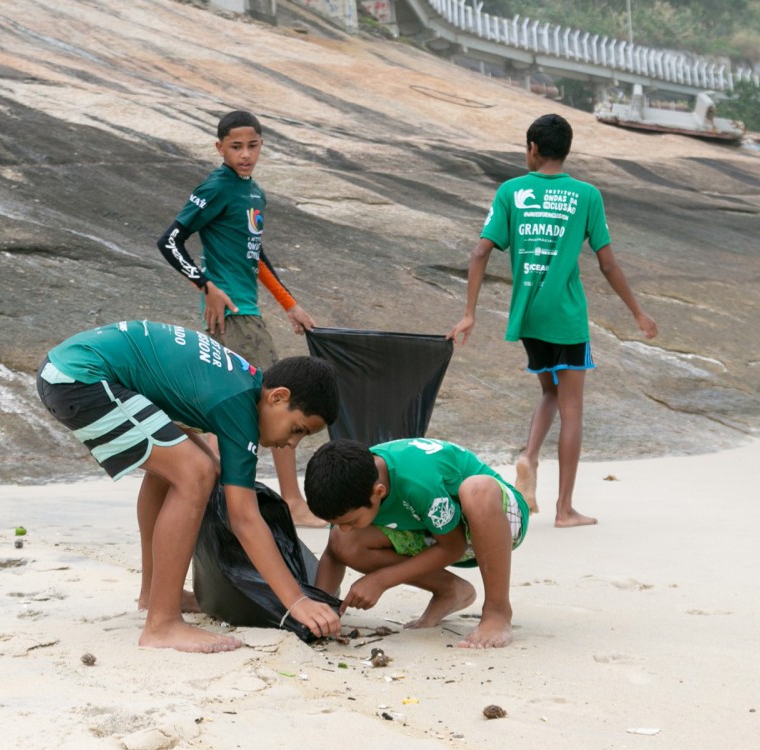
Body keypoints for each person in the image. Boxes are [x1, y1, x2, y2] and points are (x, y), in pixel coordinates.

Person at [36, 320, 342, 653]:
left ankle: (154, 593)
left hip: (72, 368)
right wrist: (296, 601)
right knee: (194, 473)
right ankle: (162, 625)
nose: (291, 443)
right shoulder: (238, 404)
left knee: (191, 467)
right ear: (278, 397)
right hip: (79, 377)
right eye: (297, 429)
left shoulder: (241, 384)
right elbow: (244, 518)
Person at [447, 113, 658, 528]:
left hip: (528, 315)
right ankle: (564, 509)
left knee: (550, 391)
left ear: (532, 148)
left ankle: (528, 456)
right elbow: (608, 263)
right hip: (565, 316)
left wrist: (469, 313)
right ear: (566, 150)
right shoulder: (586, 195)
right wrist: (637, 310)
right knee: (572, 407)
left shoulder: (511, 191)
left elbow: (478, 253)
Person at [156, 110, 325, 528]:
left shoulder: (254, 194)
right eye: (235, 147)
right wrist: (205, 285)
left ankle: (206, 499)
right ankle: (290, 503)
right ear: (219, 148)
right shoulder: (217, 187)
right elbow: (171, 241)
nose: (245, 154)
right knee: (281, 404)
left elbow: (256, 256)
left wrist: (289, 304)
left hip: (248, 314)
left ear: (262, 145)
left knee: (233, 407)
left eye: (252, 146)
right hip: (235, 318)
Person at [304, 437, 529, 649]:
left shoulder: (417, 481)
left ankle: (497, 611)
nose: (345, 527)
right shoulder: (350, 481)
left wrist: (380, 580)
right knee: (343, 542)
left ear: (378, 492)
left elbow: (454, 547)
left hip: (498, 523)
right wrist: (320, 607)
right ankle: (450, 590)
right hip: (432, 528)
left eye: (351, 521)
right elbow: (334, 553)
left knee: (477, 490)